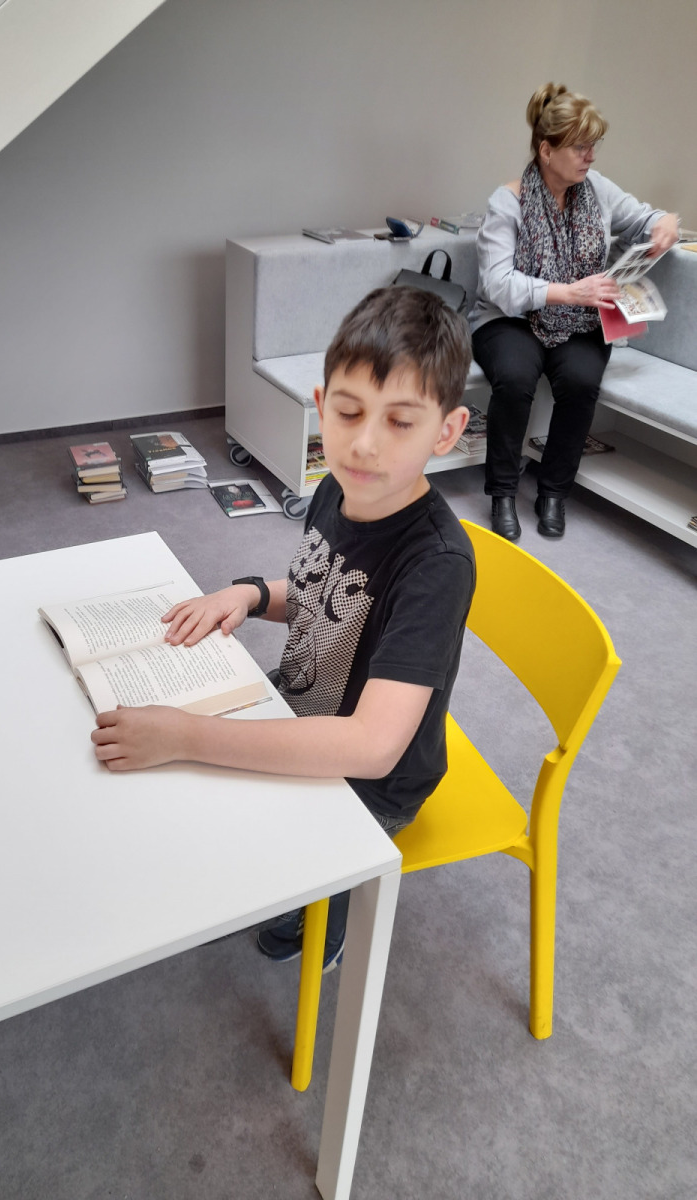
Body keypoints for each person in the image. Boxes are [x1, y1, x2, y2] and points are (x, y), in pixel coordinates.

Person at [91, 286, 476, 969]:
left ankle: (330, 903)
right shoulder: (336, 488)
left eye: (399, 422)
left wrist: (187, 737)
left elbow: (372, 747)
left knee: (203, 805)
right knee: (167, 784)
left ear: (445, 432)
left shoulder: (437, 564)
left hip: (370, 782)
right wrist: (246, 594)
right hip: (299, 699)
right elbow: (318, 591)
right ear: (321, 407)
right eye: (349, 413)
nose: (364, 444)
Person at [468, 83, 679, 541]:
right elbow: (498, 285)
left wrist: (665, 224)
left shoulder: (597, 190)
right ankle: (502, 492)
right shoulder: (507, 201)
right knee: (515, 378)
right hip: (510, 319)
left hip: (578, 320)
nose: (590, 156)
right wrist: (568, 292)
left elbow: (646, 217)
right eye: (580, 147)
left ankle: (553, 493)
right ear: (547, 150)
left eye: (593, 145)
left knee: (582, 382)